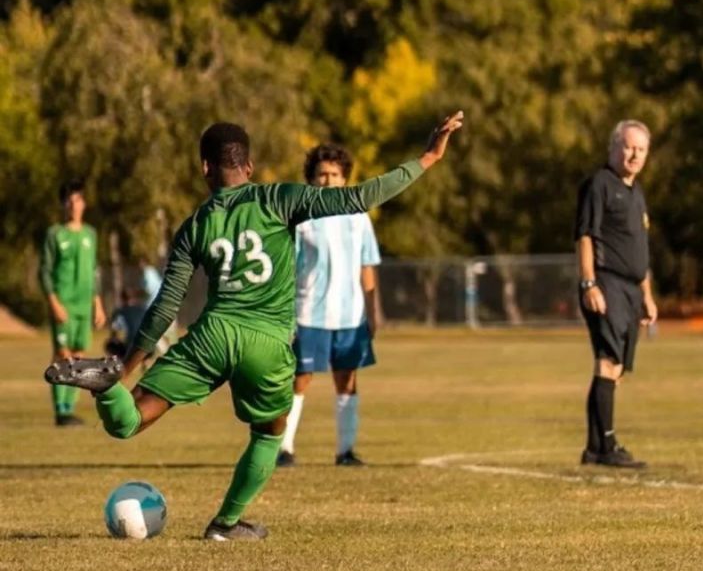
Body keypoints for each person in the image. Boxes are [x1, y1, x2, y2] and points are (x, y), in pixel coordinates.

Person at [45, 111, 464, 540]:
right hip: (266, 342)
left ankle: (106, 386)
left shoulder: (195, 226)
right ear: (248, 166)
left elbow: (166, 305)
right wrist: (428, 157)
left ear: (205, 168)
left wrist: (128, 365)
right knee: (269, 432)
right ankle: (225, 524)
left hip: (211, 337)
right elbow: (361, 197)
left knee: (129, 420)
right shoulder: (279, 199)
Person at [278, 144, 382, 468]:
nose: (328, 180)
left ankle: (345, 451)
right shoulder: (302, 218)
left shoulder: (358, 216)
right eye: (321, 174)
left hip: (350, 314)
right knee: (299, 378)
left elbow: (367, 265)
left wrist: (373, 310)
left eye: (334, 175)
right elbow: (287, 269)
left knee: (347, 380)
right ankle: (284, 448)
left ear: (344, 178)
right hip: (309, 312)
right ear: (311, 178)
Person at [574, 119, 658, 468]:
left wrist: (648, 295)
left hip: (631, 290)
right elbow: (585, 236)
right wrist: (589, 283)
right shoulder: (600, 184)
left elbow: (640, 250)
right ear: (614, 147)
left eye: (641, 149)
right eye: (628, 146)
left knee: (617, 368)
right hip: (606, 283)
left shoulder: (636, 192)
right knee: (607, 362)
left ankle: (596, 448)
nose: (634, 154)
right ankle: (606, 447)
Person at [39, 181, 107, 427]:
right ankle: (60, 410)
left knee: (78, 357)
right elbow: (44, 272)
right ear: (63, 205)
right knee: (62, 355)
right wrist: (54, 302)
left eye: (77, 199)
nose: (73, 204)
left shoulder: (90, 234)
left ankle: (70, 407)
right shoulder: (55, 234)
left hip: (83, 306)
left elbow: (93, 272)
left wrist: (98, 304)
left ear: (84, 203)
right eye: (69, 200)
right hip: (64, 302)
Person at [105, 288, 146, 359]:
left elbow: (115, 330)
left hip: (129, 348)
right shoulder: (143, 309)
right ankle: (146, 360)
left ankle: (118, 360)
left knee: (110, 344)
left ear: (122, 298)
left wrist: (113, 337)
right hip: (147, 347)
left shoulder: (120, 312)